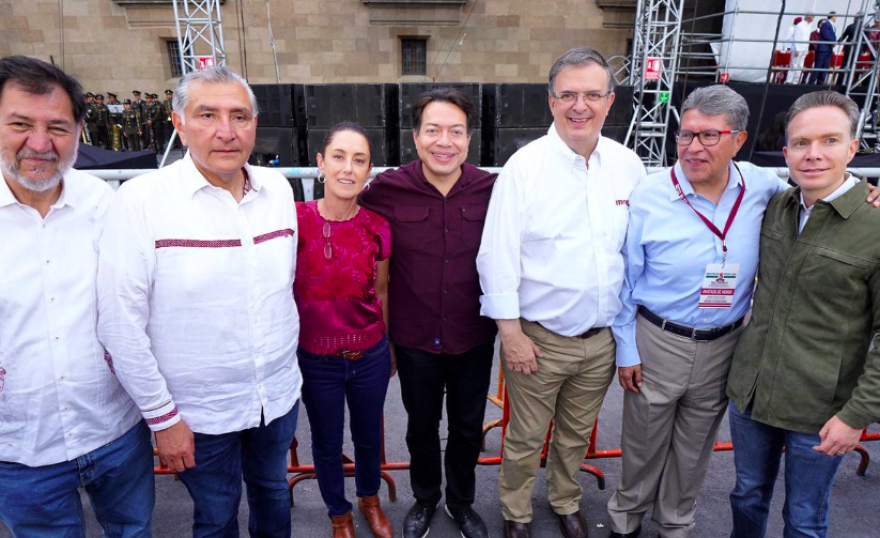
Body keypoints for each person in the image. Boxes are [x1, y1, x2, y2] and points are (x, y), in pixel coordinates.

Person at [97, 65, 302, 538]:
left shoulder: (277, 191)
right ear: (179, 124)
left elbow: (280, 291)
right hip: (197, 414)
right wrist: (163, 418)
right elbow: (120, 325)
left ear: (255, 123)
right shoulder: (141, 201)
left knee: (273, 492)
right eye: (207, 115)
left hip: (274, 398)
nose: (226, 132)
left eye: (239, 116)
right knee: (216, 514)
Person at [605, 85, 791, 538]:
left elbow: (816, 195)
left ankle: (674, 523)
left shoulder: (762, 186)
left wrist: (862, 193)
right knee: (643, 443)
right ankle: (625, 521)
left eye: (709, 136)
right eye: (685, 136)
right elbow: (626, 279)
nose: (693, 148)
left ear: (738, 140)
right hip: (658, 339)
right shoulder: (649, 195)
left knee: (694, 448)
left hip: (725, 342)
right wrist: (626, 349)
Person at [476, 47, 647, 538]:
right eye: (568, 94)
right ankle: (515, 512)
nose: (580, 106)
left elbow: (633, 254)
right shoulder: (524, 168)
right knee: (526, 437)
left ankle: (565, 498)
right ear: (550, 102)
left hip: (600, 340)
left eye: (592, 94)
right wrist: (511, 335)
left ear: (610, 101)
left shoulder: (628, 166)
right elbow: (497, 256)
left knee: (574, 436)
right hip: (538, 339)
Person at [0, 55, 154, 537]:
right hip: (22, 451)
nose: (40, 144)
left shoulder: (105, 204)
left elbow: (134, 307)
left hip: (115, 435)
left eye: (58, 128)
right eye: (21, 124)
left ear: (80, 130)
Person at [727, 90, 880, 538]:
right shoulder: (776, 206)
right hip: (752, 397)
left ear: (853, 148)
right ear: (786, 149)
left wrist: (857, 415)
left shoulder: (874, 227)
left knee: (805, 517)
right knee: (746, 495)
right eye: (800, 143)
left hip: (822, 409)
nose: (813, 154)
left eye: (829, 141)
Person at [359, 87, 497, 538]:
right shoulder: (386, 190)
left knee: (466, 427)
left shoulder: (491, 190)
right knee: (420, 427)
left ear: (469, 138)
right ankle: (425, 498)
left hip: (472, 335)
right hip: (413, 337)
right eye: (433, 130)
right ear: (416, 138)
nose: (445, 141)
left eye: (456, 131)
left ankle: (461, 502)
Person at [295, 122, 394, 538]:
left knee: (370, 437)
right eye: (339, 157)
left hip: (369, 353)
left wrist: (388, 349)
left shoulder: (378, 226)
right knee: (327, 443)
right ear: (321, 163)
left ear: (369, 170)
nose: (348, 169)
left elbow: (383, 289)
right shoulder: (294, 220)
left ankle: (369, 500)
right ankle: (339, 514)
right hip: (316, 359)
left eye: (359, 160)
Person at [810, 13, 837, 84]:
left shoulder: (832, 25)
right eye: (835, 16)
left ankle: (820, 82)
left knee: (825, 66)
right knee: (818, 65)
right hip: (823, 49)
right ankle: (812, 82)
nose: (836, 18)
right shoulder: (826, 24)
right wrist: (833, 42)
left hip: (829, 49)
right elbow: (826, 35)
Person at [787, 15, 813, 84]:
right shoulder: (800, 25)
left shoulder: (809, 26)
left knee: (800, 65)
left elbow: (807, 38)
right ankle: (789, 81)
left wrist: (807, 49)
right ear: (808, 17)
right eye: (812, 16)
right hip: (798, 48)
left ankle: (795, 81)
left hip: (804, 48)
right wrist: (797, 48)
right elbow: (797, 37)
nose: (813, 18)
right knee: (794, 64)